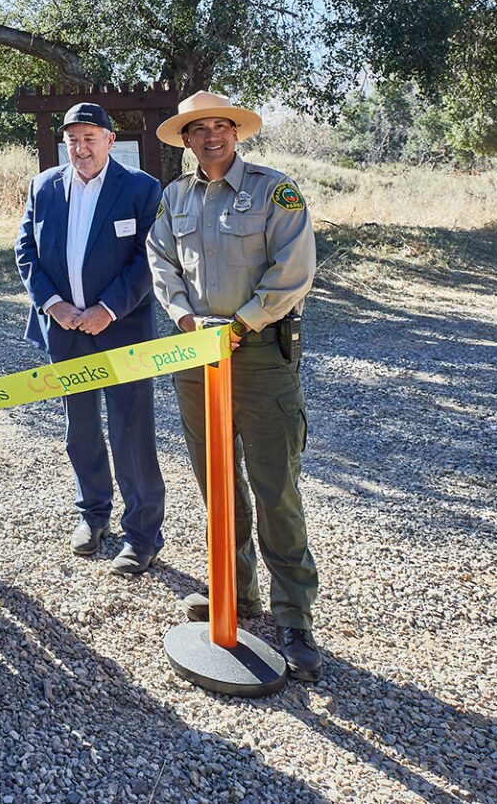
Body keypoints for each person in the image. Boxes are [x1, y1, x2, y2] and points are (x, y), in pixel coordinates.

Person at [144, 90, 322, 681]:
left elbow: (293, 268)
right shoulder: (174, 197)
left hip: (259, 357)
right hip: (196, 359)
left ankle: (293, 615)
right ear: (187, 140)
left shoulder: (276, 190)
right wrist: (186, 319)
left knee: (276, 489)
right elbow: (160, 259)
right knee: (216, 482)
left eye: (222, 126)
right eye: (200, 129)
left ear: (236, 134)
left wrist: (243, 322)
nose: (212, 136)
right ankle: (235, 590)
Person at [15, 102, 167, 575]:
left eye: (89, 139)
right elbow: (25, 249)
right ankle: (93, 514)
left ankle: (142, 535)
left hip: (121, 331)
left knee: (131, 432)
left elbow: (149, 259)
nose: (80, 149)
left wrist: (108, 309)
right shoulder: (44, 186)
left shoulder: (141, 189)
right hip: (66, 331)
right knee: (79, 431)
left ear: (108, 139)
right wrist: (51, 303)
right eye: (73, 140)